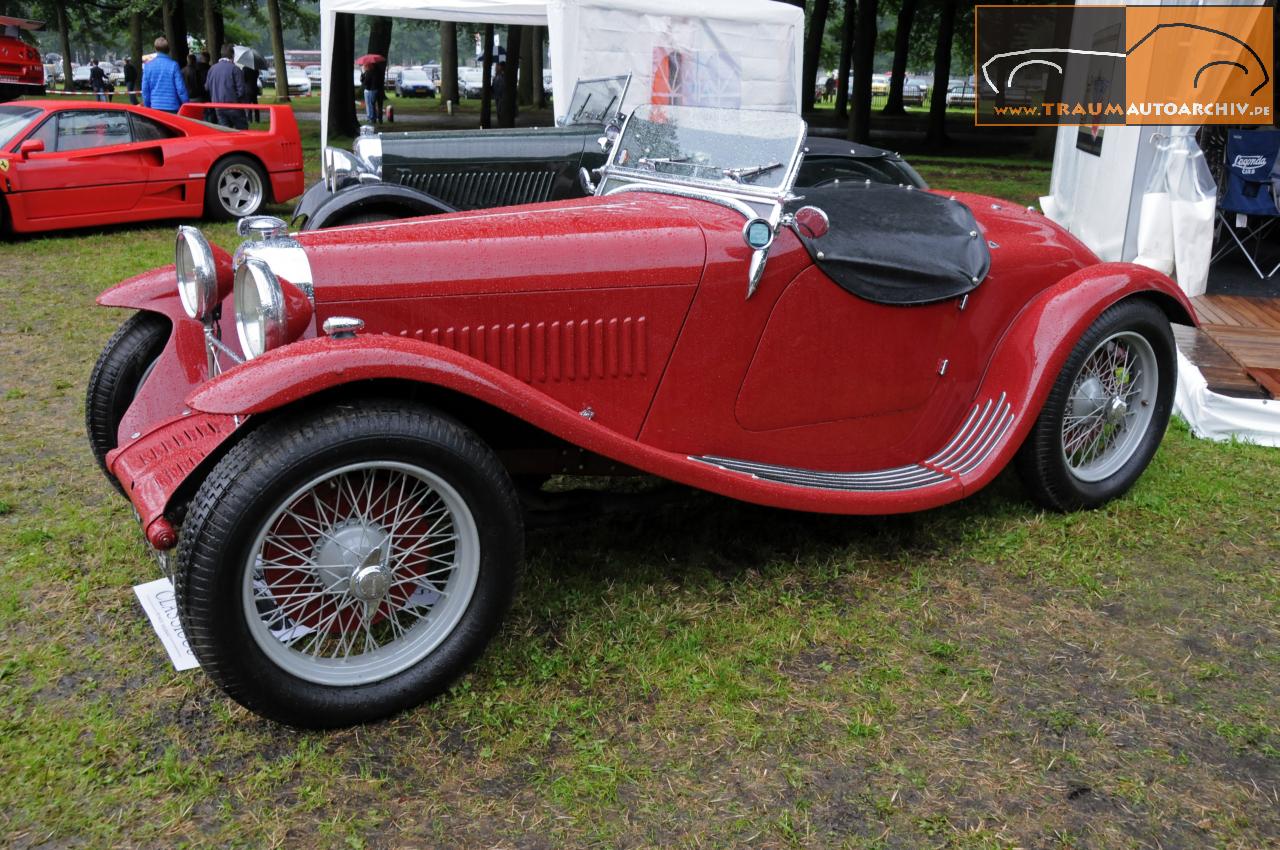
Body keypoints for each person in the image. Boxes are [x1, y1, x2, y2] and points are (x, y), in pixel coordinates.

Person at [141, 36, 188, 113]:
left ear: (155, 49)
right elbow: (181, 89)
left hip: (155, 106)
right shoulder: (174, 65)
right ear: (168, 50)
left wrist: (147, 106)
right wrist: (186, 103)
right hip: (172, 106)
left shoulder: (148, 66)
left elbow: (145, 90)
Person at [205, 43, 247, 129]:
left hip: (218, 106)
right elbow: (241, 90)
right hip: (234, 106)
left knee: (225, 132)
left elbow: (207, 87)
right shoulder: (235, 69)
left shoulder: (212, 69)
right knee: (242, 132)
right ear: (232, 55)